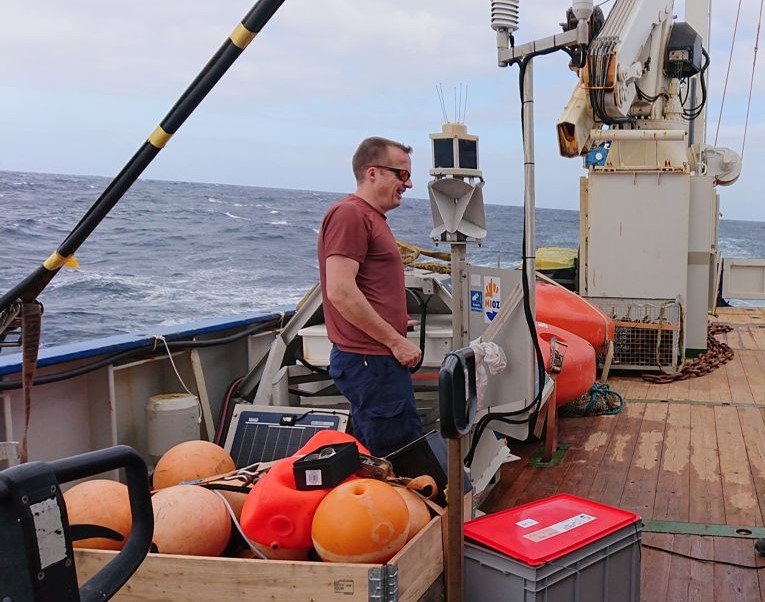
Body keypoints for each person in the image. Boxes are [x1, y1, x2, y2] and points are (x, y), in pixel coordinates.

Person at [318, 136, 423, 457]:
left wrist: (396, 319)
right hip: (371, 361)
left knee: (375, 453)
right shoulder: (351, 215)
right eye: (402, 174)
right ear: (373, 173)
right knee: (401, 452)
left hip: (376, 361)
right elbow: (341, 290)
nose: (409, 183)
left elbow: (363, 285)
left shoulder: (372, 218)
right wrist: (395, 340)